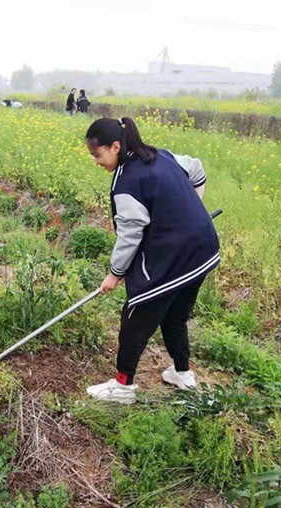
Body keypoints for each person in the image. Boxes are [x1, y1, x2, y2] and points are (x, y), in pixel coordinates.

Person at [83, 117, 219, 404]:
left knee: (135, 317)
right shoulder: (162, 155)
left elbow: (130, 234)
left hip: (175, 257)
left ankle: (122, 387)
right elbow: (196, 169)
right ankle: (182, 373)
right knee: (174, 315)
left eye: (97, 154)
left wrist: (115, 273)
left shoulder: (127, 182)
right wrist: (192, 211)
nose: (96, 161)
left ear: (115, 146)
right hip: (202, 248)